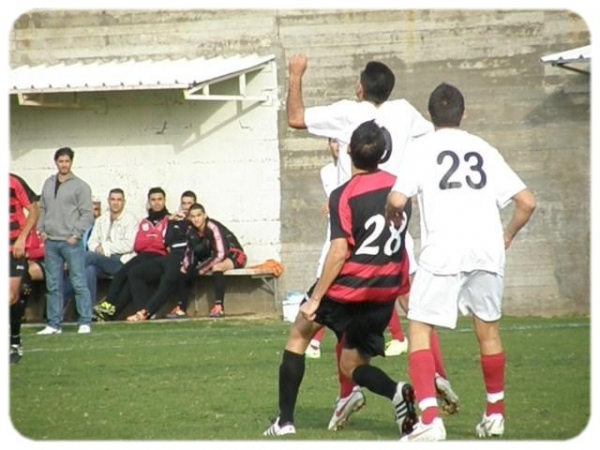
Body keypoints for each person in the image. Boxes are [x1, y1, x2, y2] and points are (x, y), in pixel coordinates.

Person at [286, 53, 458, 426]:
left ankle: (344, 394)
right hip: (394, 223)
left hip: (354, 224)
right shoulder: (406, 112)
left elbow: (295, 118)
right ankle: (436, 375)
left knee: (329, 309)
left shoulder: (349, 112)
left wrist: (295, 74)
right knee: (416, 310)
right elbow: (435, 134)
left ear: (360, 88)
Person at [385, 83, 537, 441]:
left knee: (419, 328)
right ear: (463, 114)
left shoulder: (421, 148)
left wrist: (392, 210)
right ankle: (495, 414)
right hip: (486, 250)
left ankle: (430, 418)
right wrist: (507, 235)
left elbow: (397, 198)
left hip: (443, 250)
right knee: (488, 331)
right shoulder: (484, 148)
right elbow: (527, 202)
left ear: (430, 116)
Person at [264, 120, 416, 438]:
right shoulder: (401, 189)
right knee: (351, 366)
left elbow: (338, 251)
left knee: (298, 335)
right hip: (383, 290)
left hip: (349, 287)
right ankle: (396, 391)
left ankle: (285, 422)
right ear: (383, 153)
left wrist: (315, 298)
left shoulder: (343, 194)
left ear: (349, 151)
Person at [306, 138, 409, 360]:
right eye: (331, 141)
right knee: (333, 288)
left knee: (405, 302)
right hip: (340, 235)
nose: (335, 146)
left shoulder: (373, 177)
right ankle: (317, 343)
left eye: (338, 141)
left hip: (367, 240)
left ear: (349, 149)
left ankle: (402, 339)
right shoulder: (327, 172)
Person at [36, 147, 94, 335]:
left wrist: (76, 235)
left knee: (78, 281)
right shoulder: (48, 183)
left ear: (71, 162)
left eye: (67, 161)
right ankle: (53, 324)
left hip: (70, 242)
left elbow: (87, 214)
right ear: (56, 162)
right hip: (51, 241)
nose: (64, 164)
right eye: (61, 161)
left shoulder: (80, 186)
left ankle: (85, 320)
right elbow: (42, 208)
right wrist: (41, 229)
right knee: (53, 285)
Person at [93, 187, 170, 320]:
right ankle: (109, 307)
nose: (156, 203)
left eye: (159, 199)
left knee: (133, 273)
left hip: (160, 257)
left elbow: (164, 243)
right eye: (153, 200)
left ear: (164, 201)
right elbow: (138, 244)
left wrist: (151, 238)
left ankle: (142, 311)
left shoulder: (170, 219)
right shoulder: (145, 222)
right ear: (149, 202)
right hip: (144, 255)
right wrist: (154, 238)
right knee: (123, 272)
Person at [125, 191, 197, 322]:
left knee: (168, 278)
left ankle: (146, 312)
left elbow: (195, 246)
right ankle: (141, 310)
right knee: (135, 272)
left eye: (190, 204)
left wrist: (186, 262)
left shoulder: (197, 223)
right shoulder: (175, 221)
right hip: (171, 256)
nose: (186, 207)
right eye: (184, 203)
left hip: (184, 259)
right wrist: (171, 222)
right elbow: (166, 240)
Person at [178, 203, 247, 318]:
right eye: (193, 216)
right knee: (183, 269)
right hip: (213, 256)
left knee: (217, 267)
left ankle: (219, 307)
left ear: (204, 215)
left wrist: (199, 270)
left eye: (199, 215)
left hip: (234, 254)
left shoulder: (212, 227)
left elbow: (221, 254)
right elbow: (189, 252)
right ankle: (181, 308)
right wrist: (189, 267)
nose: (196, 219)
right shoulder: (191, 230)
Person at [82, 188, 138, 307]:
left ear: (124, 202)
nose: (115, 202)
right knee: (89, 269)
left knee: (86, 258)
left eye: (119, 200)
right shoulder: (101, 220)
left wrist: (105, 248)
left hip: (120, 262)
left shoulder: (130, 220)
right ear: (108, 201)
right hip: (100, 260)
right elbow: (91, 242)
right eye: (113, 199)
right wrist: (97, 248)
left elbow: (129, 245)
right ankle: (89, 310)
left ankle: (61, 293)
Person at [9, 173, 40, 363]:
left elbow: (34, 209)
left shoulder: (13, 181)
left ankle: (14, 342)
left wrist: (22, 239)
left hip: (13, 249)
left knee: (11, 296)